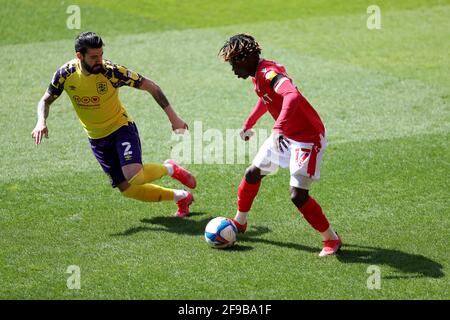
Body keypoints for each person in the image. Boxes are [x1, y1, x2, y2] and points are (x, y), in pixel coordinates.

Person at [31, 31, 196, 217]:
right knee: (128, 189)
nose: (99, 60)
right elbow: (45, 100)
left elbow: (152, 87)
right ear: (79, 56)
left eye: (101, 55)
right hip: (96, 138)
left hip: (120, 128)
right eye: (94, 57)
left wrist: (174, 119)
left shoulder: (112, 72)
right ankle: (181, 197)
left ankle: (170, 168)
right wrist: (40, 121)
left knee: (134, 175)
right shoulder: (65, 74)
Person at [219, 34, 342, 256]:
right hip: (286, 135)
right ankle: (240, 222)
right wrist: (249, 123)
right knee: (252, 173)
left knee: (298, 195)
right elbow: (266, 98)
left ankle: (331, 239)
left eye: (234, 63)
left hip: (307, 138)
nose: (233, 70)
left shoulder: (268, 73)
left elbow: (291, 95)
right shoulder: (258, 75)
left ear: (246, 59)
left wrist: (277, 129)